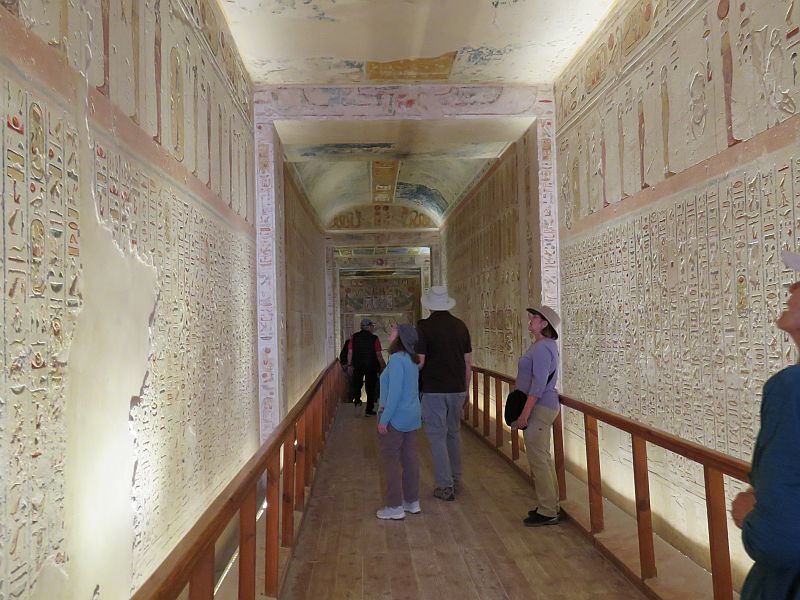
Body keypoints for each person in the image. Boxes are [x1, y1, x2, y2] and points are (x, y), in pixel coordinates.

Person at [731, 249, 800, 599]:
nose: (791, 288)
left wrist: (749, 517)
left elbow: (779, 537)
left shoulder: (791, 390)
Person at [417, 286, 472, 501]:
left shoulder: (424, 327)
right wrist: (466, 389)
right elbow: (468, 362)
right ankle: (456, 480)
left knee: (436, 436)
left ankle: (445, 485)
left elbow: (420, 361)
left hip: (434, 389)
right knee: (454, 433)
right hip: (457, 388)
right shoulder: (460, 326)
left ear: (430, 306)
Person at [513, 305, 562, 527]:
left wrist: (525, 413)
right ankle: (551, 505)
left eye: (535, 317)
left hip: (539, 407)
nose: (530, 320)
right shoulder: (544, 345)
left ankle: (548, 510)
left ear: (544, 324)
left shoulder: (542, 348)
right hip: (542, 406)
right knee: (542, 457)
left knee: (538, 459)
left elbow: (539, 384)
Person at [376, 324, 422, 520]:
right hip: (412, 415)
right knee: (410, 460)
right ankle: (412, 501)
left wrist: (384, 420)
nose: (390, 333)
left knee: (391, 462)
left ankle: (394, 506)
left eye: (393, 331)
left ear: (400, 338)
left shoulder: (396, 360)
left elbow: (394, 394)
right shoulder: (411, 359)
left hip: (395, 417)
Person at [347, 318, 386, 415]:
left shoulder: (354, 337)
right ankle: (369, 409)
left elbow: (350, 352)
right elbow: (378, 355)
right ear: (368, 327)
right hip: (371, 366)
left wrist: (349, 365)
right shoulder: (374, 338)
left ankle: (357, 403)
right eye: (372, 326)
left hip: (358, 365)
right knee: (371, 387)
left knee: (357, 385)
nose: (373, 328)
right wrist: (383, 366)